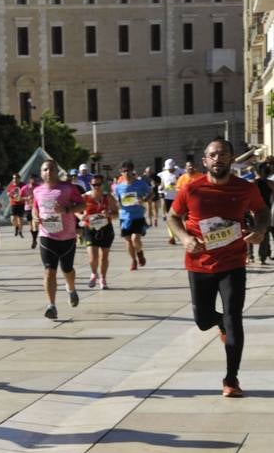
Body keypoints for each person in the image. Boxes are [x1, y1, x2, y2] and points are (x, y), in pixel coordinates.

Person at [167, 139, 270, 397]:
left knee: (234, 317)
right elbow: (172, 216)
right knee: (202, 320)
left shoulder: (245, 188)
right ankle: (220, 324)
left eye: (223, 154)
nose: (218, 159)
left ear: (231, 158)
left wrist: (259, 230)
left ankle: (231, 379)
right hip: (199, 263)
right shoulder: (192, 189)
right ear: (205, 161)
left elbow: (262, 212)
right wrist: (185, 238)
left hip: (233, 261)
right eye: (213, 155)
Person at [30, 158, 85, 320]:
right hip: (47, 235)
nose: (48, 172)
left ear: (56, 171)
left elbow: (82, 205)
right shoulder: (37, 190)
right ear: (41, 173)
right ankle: (51, 305)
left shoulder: (68, 188)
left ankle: (71, 288)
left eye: (51, 169)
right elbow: (35, 207)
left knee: (67, 270)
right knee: (49, 270)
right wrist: (34, 217)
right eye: (45, 170)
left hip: (67, 236)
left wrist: (66, 209)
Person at [82, 174, 118, 289]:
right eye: (93, 185)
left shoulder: (108, 197)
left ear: (102, 185)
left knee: (104, 257)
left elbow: (116, 213)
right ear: (90, 185)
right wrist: (80, 217)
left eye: (98, 184)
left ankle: (103, 278)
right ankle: (93, 273)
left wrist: (109, 214)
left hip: (106, 229)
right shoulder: (84, 197)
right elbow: (75, 210)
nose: (96, 187)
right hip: (90, 229)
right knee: (93, 258)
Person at [114, 168, 151, 271]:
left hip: (138, 216)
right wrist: (118, 204)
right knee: (128, 241)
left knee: (135, 239)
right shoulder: (118, 187)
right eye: (124, 171)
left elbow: (151, 193)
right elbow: (117, 201)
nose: (126, 173)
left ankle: (139, 253)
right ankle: (133, 260)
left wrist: (144, 200)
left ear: (132, 172)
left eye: (128, 171)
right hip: (124, 217)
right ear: (121, 173)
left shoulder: (140, 183)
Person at [159, 158, 181, 243]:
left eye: (171, 168)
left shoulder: (180, 172)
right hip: (168, 198)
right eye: (168, 169)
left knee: (179, 218)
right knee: (169, 218)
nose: (170, 170)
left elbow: (183, 183)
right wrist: (161, 187)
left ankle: (179, 233)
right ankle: (172, 236)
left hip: (178, 198)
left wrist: (175, 184)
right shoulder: (163, 174)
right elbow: (162, 184)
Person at [7, 174, 26, 238]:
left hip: (21, 203)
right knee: (12, 219)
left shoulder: (23, 185)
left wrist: (22, 197)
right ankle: (16, 227)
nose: (15, 179)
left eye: (16, 178)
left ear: (19, 179)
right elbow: (8, 193)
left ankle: (20, 231)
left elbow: (26, 193)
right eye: (14, 178)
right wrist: (10, 195)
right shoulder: (10, 185)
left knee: (20, 218)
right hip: (13, 203)